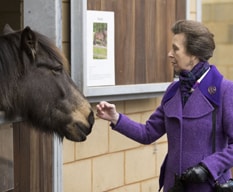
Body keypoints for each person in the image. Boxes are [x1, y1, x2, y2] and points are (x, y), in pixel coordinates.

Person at [96, 20, 233, 192]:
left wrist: (208, 167)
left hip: (209, 187)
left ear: (194, 54)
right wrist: (115, 118)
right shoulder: (173, 91)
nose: (169, 54)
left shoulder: (225, 90)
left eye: (176, 49)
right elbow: (147, 133)